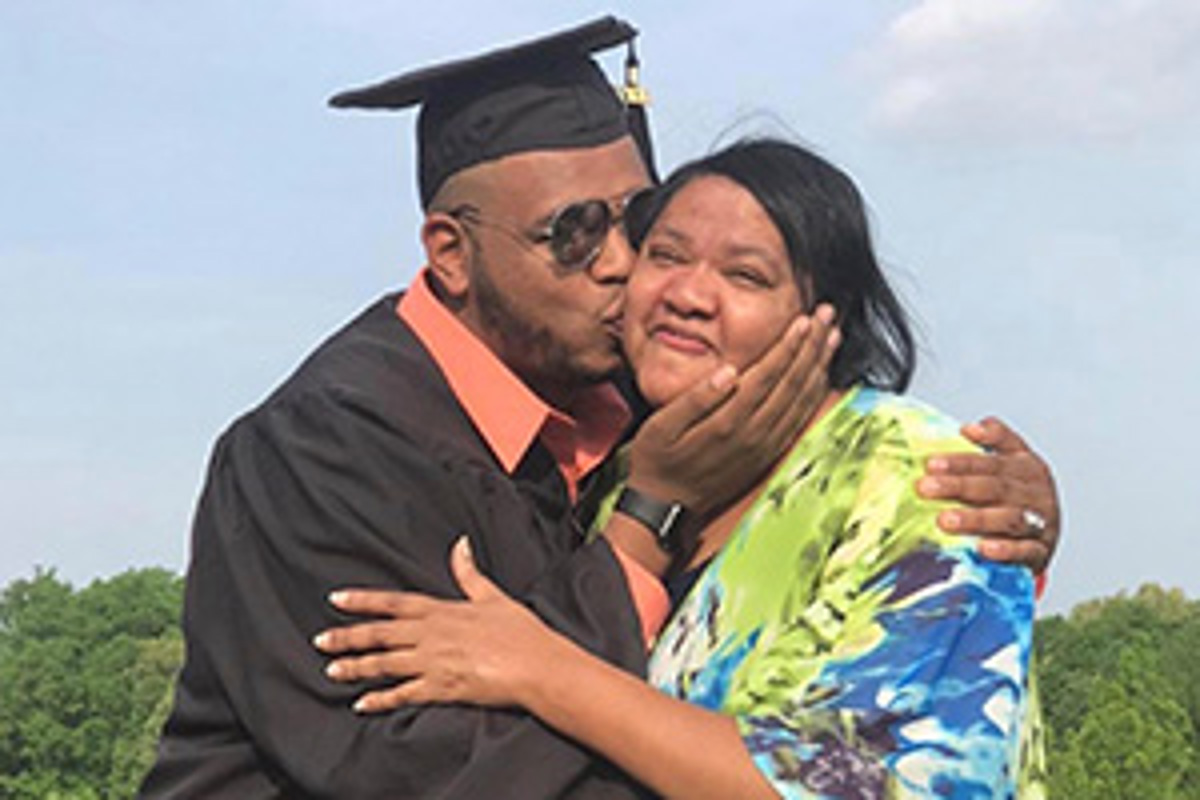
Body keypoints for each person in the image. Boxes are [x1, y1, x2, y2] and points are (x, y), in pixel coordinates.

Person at [143, 17, 1058, 799]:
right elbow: (424, 766)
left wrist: (992, 528)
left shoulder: (630, 412)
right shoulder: (326, 449)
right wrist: (642, 523)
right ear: (451, 255)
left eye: (635, 220)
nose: (625, 266)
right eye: (574, 233)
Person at [316, 138, 1047, 798]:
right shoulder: (636, 476)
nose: (688, 296)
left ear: (826, 319)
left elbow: (869, 786)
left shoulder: (918, 479)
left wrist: (542, 669)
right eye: (664, 256)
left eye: (746, 275)